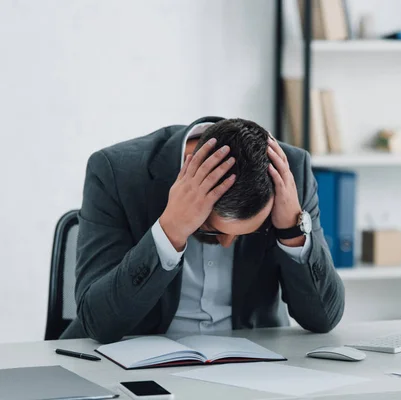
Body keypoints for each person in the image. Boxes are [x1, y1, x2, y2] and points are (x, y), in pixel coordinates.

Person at [61, 117, 345, 343]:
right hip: (139, 361)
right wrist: (170, 230)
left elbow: (324, 318)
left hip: (252, 365)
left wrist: (292, 230)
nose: (227, 243)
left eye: (249, 232)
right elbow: (97, 322)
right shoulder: (116, 173)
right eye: (212, 230)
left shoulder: (289, 172)